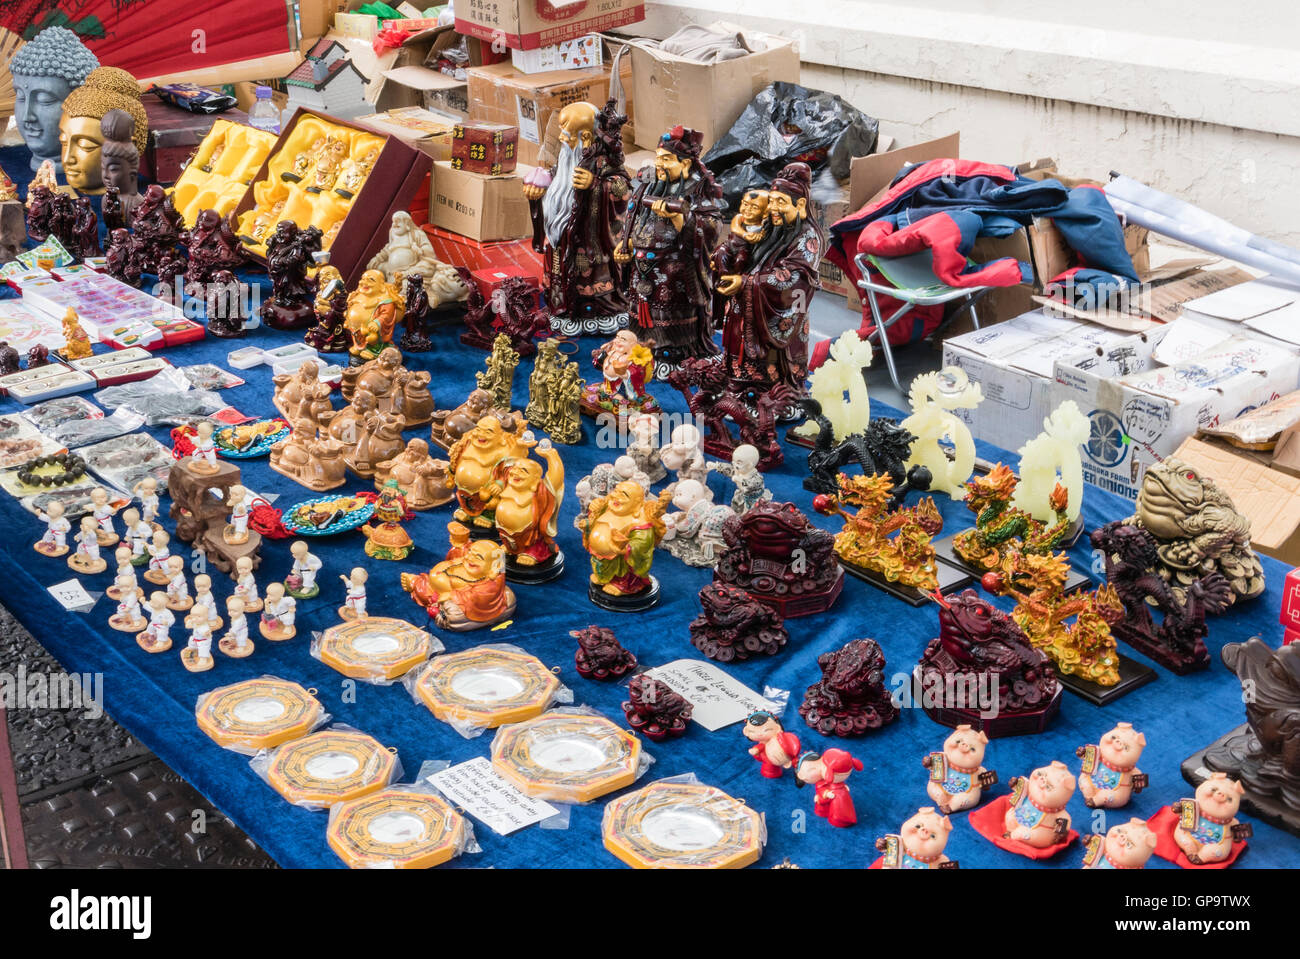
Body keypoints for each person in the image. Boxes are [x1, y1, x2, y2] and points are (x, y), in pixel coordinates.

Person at [615, 126, 722, 371]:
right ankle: (641, 343)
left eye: (666, 159)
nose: (659, 164)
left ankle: (674, 348)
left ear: (685, 165)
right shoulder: (648, 184)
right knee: (640, 313)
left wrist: (681, 220)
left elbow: (711, 226)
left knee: (668, 313)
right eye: (658, 158)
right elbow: (632, 217)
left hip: (674, 271)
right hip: (641, 268)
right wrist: (626, 243)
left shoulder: (698, 192)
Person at [714, 162, 823, 397]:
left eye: (780, 202)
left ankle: (774, 393)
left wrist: (745, 283)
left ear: (800, 204)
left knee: (772, 363)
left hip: (780, 308)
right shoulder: (772, 225)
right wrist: (726, 251)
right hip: (746, 302)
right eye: (771, 201)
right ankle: (738, 384)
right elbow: (745, 244)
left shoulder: (808, 236)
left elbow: (791, 278)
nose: (772, 208)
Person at [525, 99, 631, 333]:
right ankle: (559, 306)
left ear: (586, 137)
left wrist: (595, 185)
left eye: (569, 133)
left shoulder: (605, 162)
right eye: (562, 132)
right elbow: (556, 185)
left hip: (591, 243)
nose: (563, 139)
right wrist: (537, 191)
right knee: (558, 277)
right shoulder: (565, 159)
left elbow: (622, 188)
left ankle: (593, 310)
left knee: (590, 280)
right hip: (561, 241)